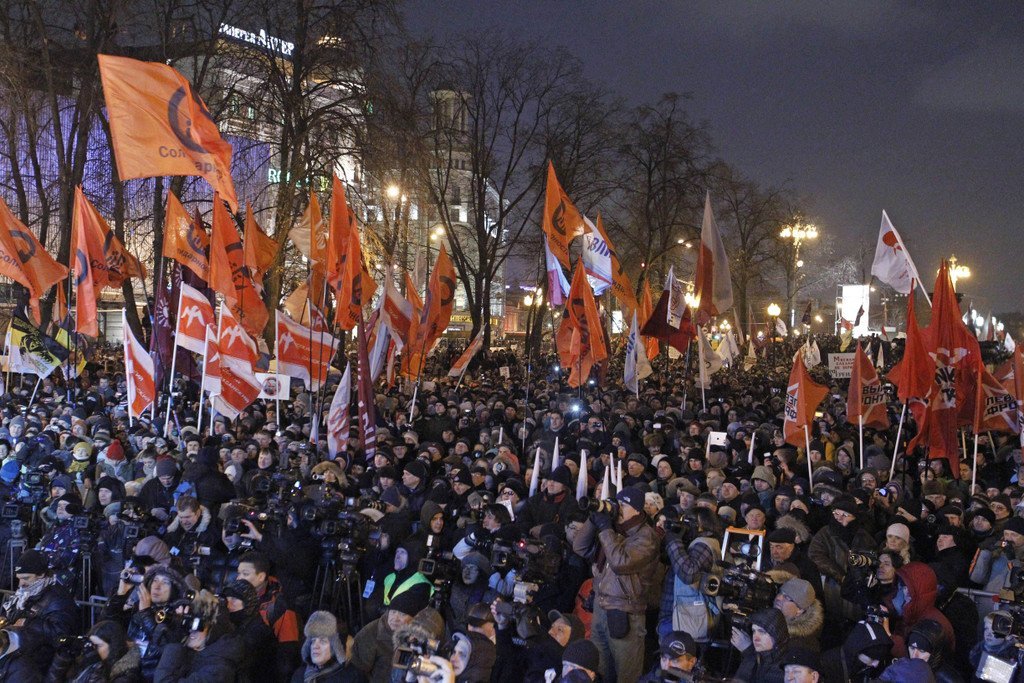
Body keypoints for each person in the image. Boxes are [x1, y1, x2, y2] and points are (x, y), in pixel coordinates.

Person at [571, 486, 659, 683]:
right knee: (598, 670)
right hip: (600, 607)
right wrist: (593, 520)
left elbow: (620, 562)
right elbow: (580, 547)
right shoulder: (613, 531)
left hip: (625, 613)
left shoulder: (646, 536)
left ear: (637, 510)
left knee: (626, 675)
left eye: (623, 505)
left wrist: (605, 529)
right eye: (616, 504)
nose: (618, 509)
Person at [0, 548, 78, 673]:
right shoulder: (24, 594)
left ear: (41, 574)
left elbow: (61, 635)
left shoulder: (59, 598)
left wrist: (27, 623)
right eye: (19, 578)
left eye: (26, 578)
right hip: (18, 654)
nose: (20, 584)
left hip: (39, 664)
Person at [153, 590, 245, 682]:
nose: (191, 630)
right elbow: (156, 648)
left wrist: (175, 642)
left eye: (196, 625)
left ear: (214, 629)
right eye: (189, 623)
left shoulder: (218, 671)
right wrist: (173, 627)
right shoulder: (197, 651)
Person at [46, 619, 143, 682]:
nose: (93, 649)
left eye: (98, 646)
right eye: (91, 644)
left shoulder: (128, 676)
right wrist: (61, 661)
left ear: (115, 646)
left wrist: (95, 666)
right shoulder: (91, 664)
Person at [290, 610, 365, 683]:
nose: (315, 646)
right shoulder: (299, 676)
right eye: (313, 641)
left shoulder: (352, 677)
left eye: (323, 641)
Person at [732, 607, 791, 683]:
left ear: (776, 633)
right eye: (754, 631)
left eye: (762, 632)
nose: (756, 638)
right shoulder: (762, 657)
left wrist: (750, 653)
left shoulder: (783, 668)